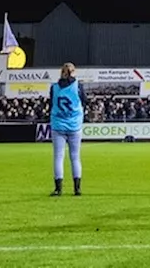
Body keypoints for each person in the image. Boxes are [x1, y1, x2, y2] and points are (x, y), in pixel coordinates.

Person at [49, 62, 86, 197]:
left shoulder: (54, 87)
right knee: (75, 157)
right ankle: (77, 189)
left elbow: (51, 104)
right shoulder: (78, 86)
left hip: (58, 124)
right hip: (74, 125)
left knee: (58, 157)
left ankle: (58, 189)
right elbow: (84, 102)